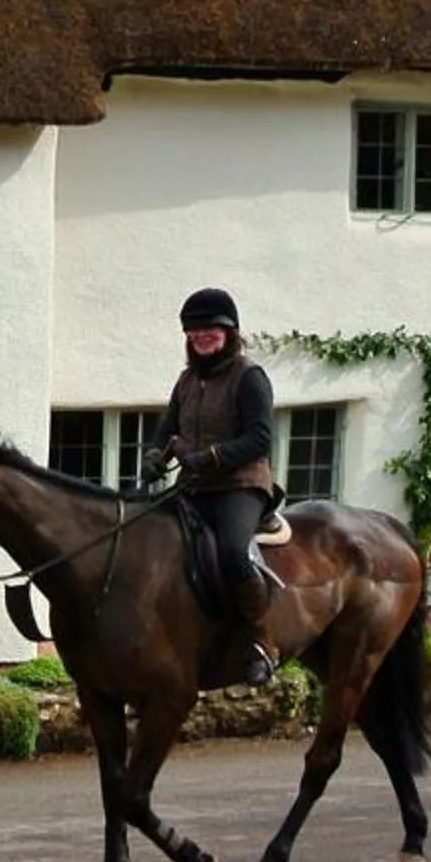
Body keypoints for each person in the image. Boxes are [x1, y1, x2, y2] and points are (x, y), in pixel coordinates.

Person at [140, 286, 279, 686]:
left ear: (229, 332)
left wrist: (211, 457)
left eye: (210, 331)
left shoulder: (250, 377)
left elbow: (260, 438)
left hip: (240, 483)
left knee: (233, 552)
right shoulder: (187, 381)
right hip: (194, 484)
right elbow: (166, 432)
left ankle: (260, 640)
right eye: (194, 331)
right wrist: (154, 457)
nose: (201, 337)